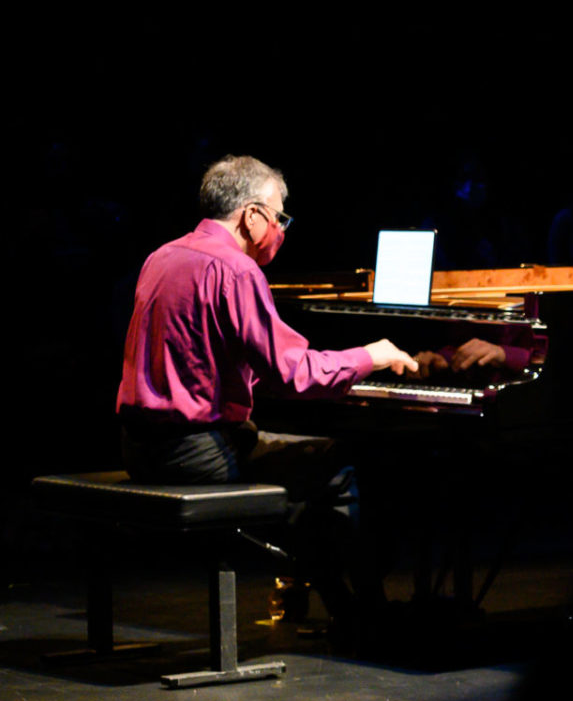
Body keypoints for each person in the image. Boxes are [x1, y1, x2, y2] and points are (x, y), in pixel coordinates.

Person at [116, 155, 417, 620]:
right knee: (338, 466)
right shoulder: (237, 271)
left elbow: (200, 356)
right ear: (252, 215)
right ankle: (369, 615)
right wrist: (370, 357)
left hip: (138, 450)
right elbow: (294, 374)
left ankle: (339, 607)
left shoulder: (162, 256)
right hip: (197, 456)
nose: (281, 229)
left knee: (299, 480)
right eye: (279, 217)